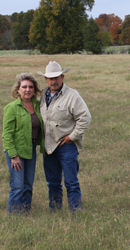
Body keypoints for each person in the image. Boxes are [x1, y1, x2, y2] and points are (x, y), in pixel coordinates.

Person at [37, 61, 91, 213]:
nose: (53, 81)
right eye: (50, 78)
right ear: (46, 79)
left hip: (66, 146)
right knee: (52, 182)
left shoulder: (72, 96)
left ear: (62, 77)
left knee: (71, 182)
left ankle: (76, 210)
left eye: (56, 77)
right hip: (49, 146)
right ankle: (55, 211)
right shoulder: (42, 95)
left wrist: (72, 137)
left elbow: (85, 118)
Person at [2, 73, 44, 214]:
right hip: (16, 151)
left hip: (31, 149)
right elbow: (7, 134)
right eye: (24, 87)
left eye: (30, 87)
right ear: (18, 90)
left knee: (28, 185)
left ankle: (25, 214)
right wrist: (13, 155)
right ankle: (14, 216)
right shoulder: (12, 107)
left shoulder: (39, 106)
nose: (27, 90)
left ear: (35, 90)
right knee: (18, 186)